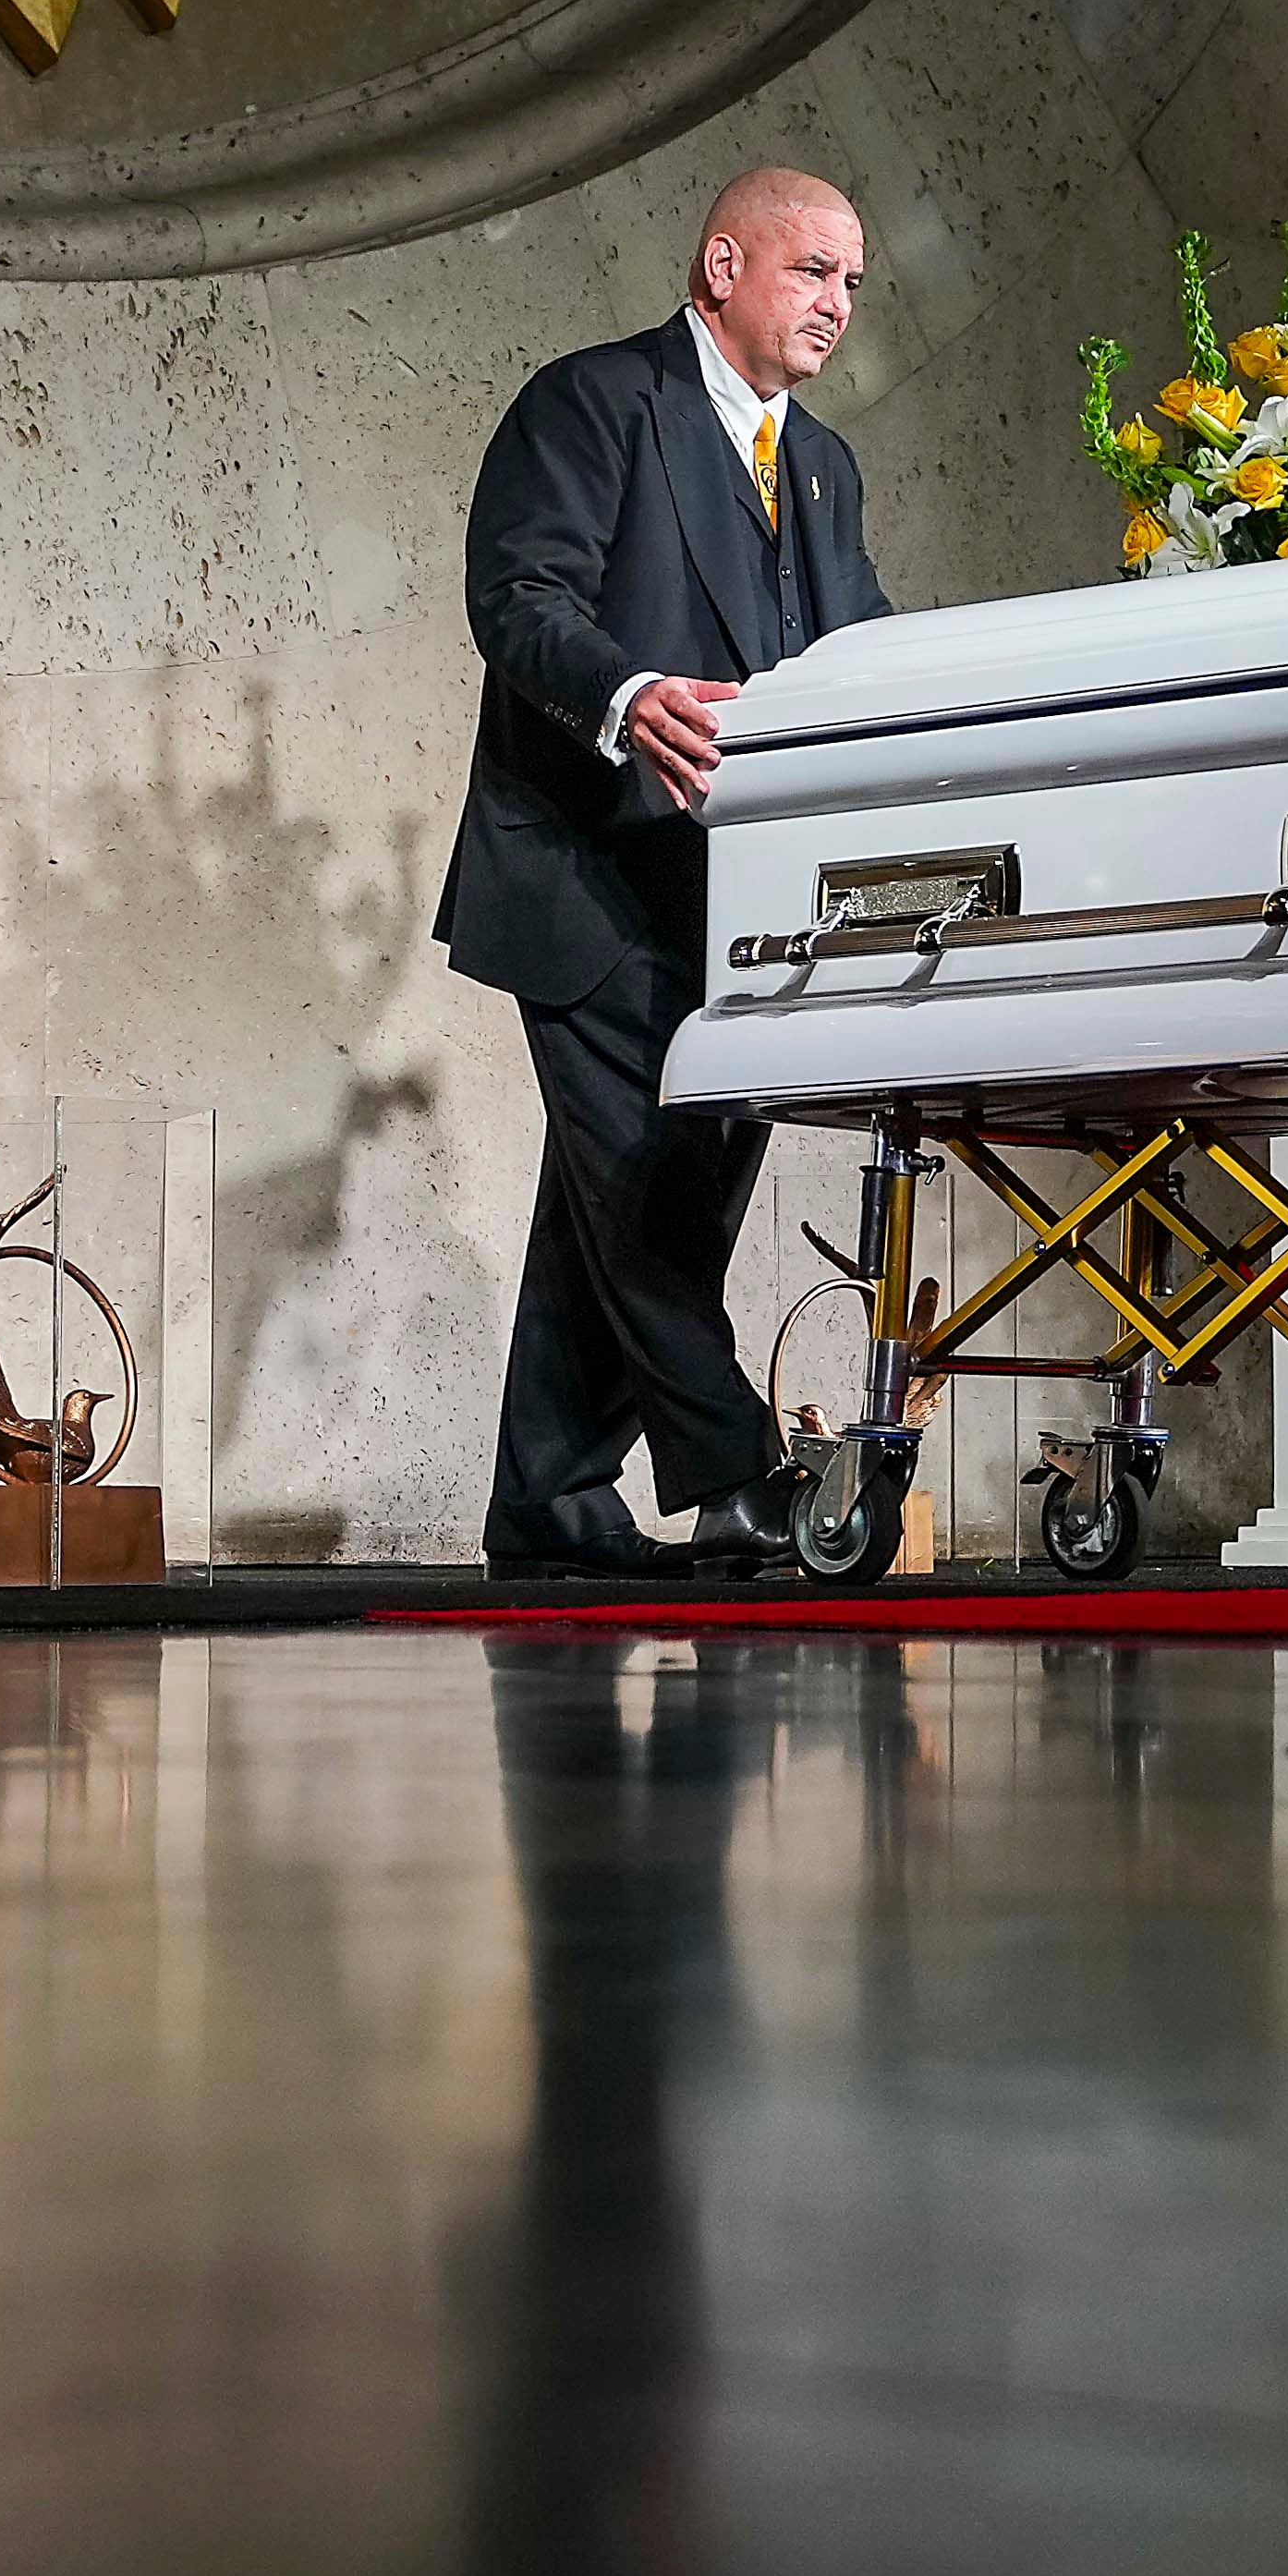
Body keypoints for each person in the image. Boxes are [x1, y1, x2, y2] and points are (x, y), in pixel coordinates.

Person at [439, 167, 898, 1574]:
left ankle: (547, 1505)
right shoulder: (593, 402)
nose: (836, 302)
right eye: (812, 270)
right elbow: (516, 595)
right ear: (722, 265)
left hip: (740, 907)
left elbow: (859, 653)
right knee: (645, 1205)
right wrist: (628, 693)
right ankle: (744, 1475)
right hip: (586, 880)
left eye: (852, 282)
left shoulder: (822, 467)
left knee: (629, 1212)